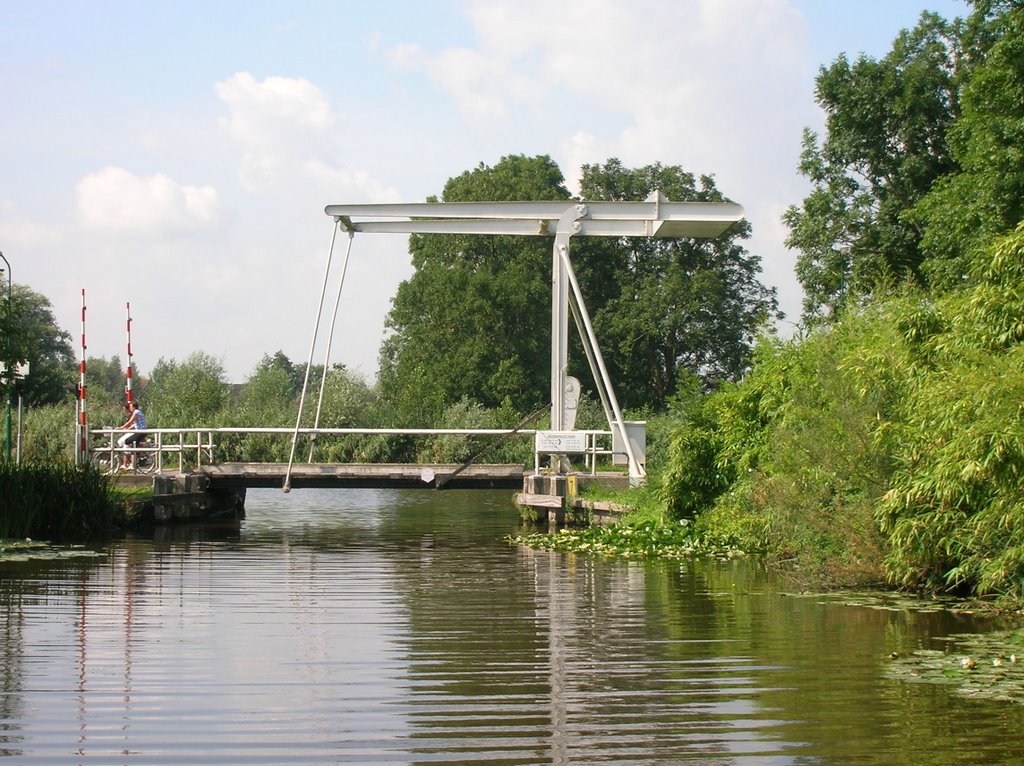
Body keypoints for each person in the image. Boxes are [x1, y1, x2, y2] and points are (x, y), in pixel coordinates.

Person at [117, 401, 148, 469]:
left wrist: (121, 427)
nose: (130, 408)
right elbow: (135, 424)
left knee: (127, 441)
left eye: (131, 407)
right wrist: (127, 428)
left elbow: (130, 421)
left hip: (140, 432)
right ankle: (132, 464)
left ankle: (130, 463)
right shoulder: (139, 412)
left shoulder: (136, 412)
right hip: (141, 432)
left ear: (133, 407)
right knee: (133, 447)